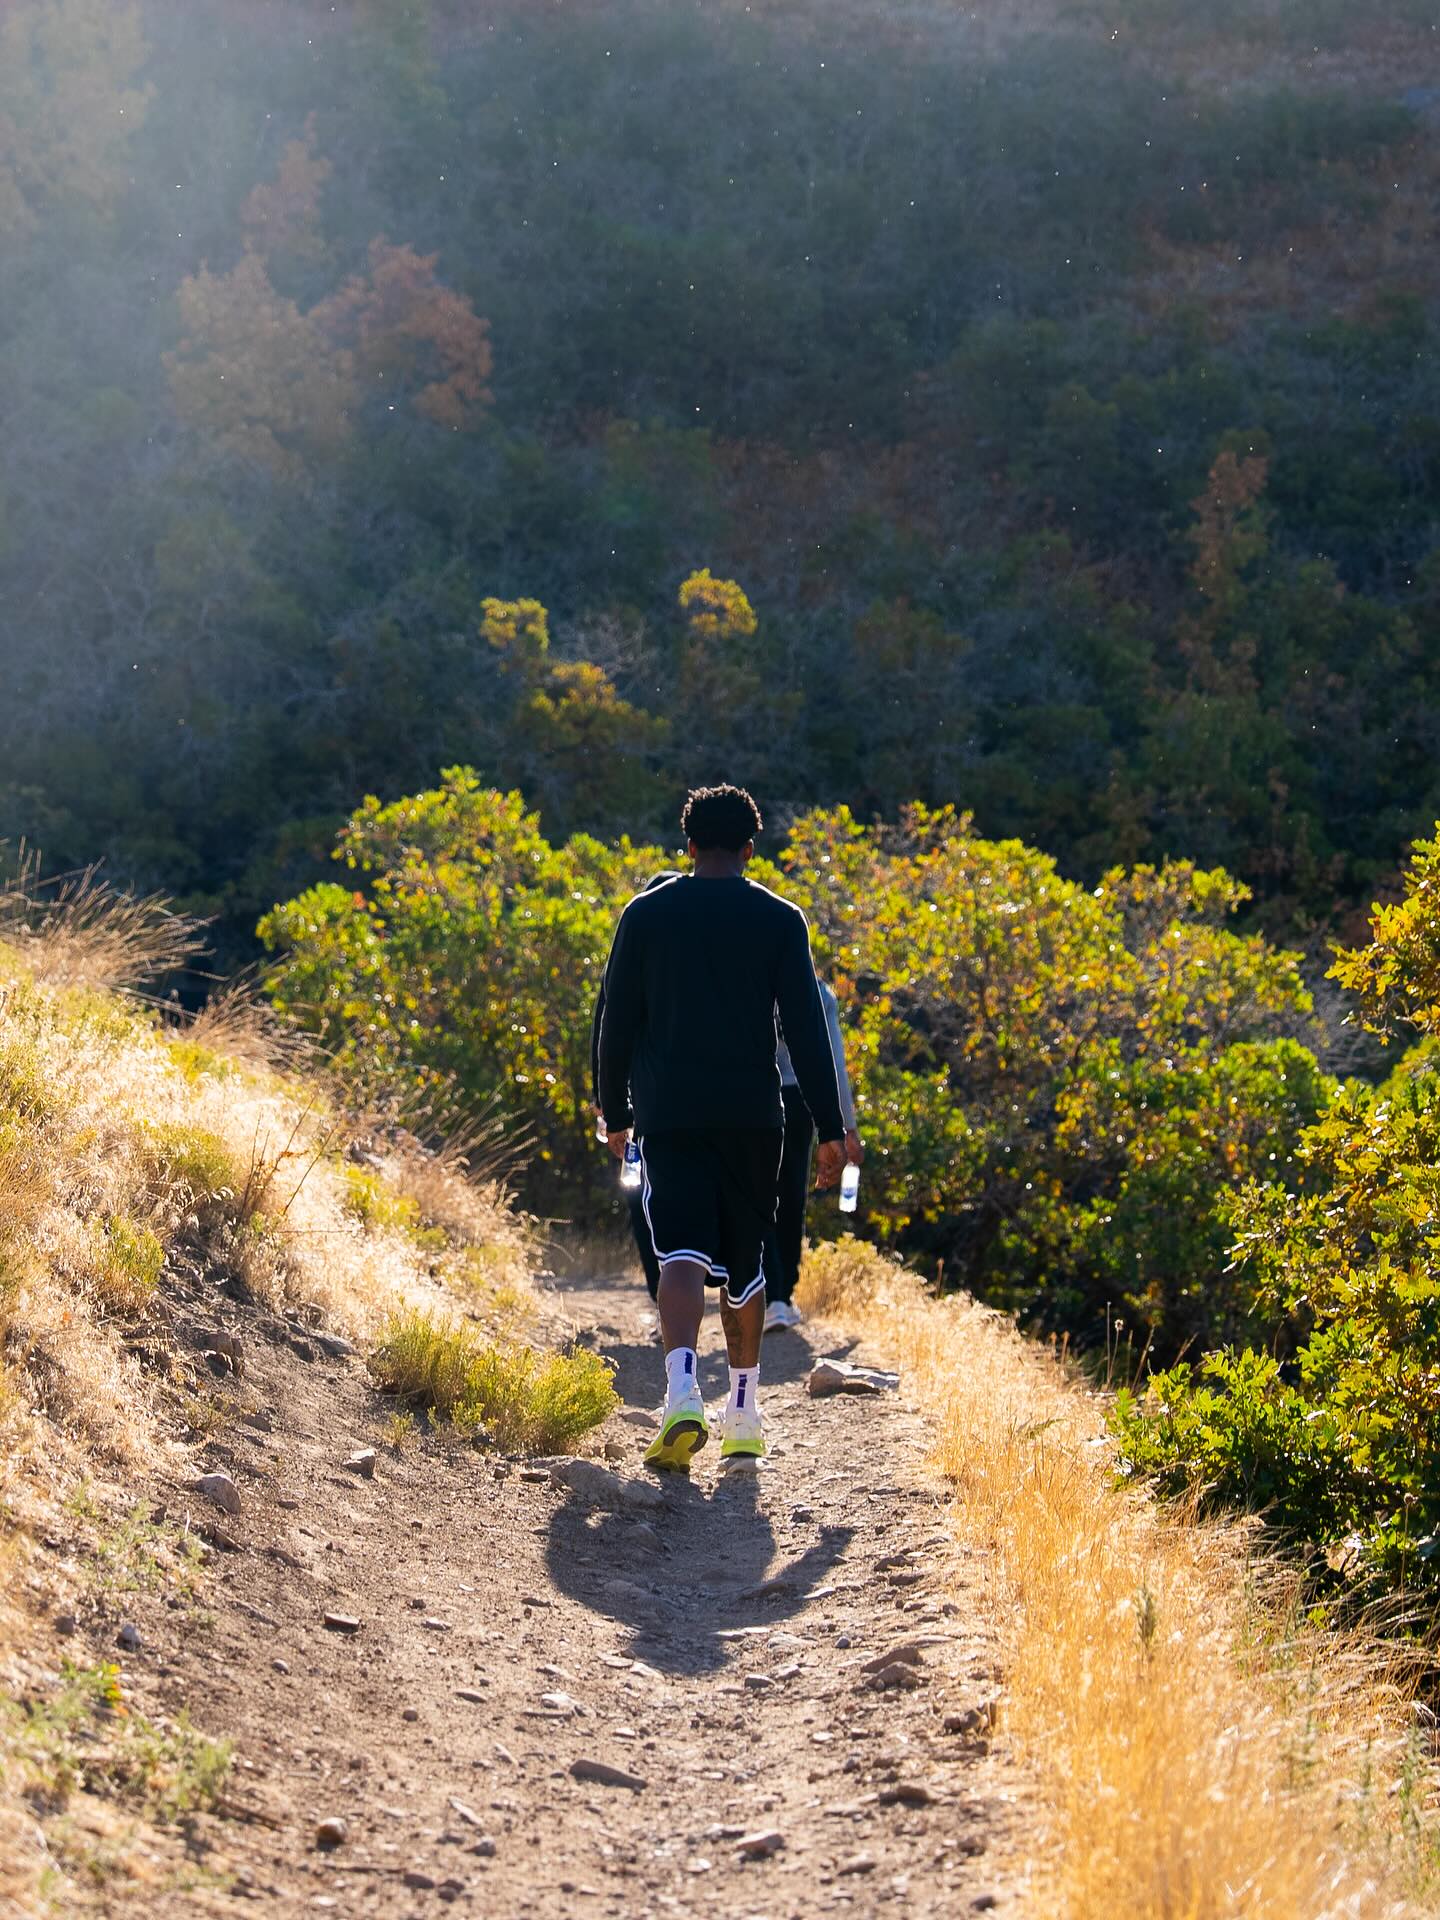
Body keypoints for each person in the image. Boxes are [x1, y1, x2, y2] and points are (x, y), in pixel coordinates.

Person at [597, 784, 845, 1469]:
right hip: (753, 1116)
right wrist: (830, 1127)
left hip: (670, 1112)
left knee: (677, 1251)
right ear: (749, 849)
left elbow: (616, 1022)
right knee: (746, 1261)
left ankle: (681, 1390)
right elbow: (805, 1030)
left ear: (688, 846)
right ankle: (743, 1411)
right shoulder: (779, 918)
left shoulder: (644, 915)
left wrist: (615, 1113)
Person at [765, 983, 864, 1331]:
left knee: (758, 1192)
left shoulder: (747, 972)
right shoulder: (817, 993)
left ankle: (765, 1289)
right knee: (791, 1193)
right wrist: (845, 1126)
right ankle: (780, 1296)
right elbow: (831, 1059)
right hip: (799, 1097)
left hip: (753, 1092)